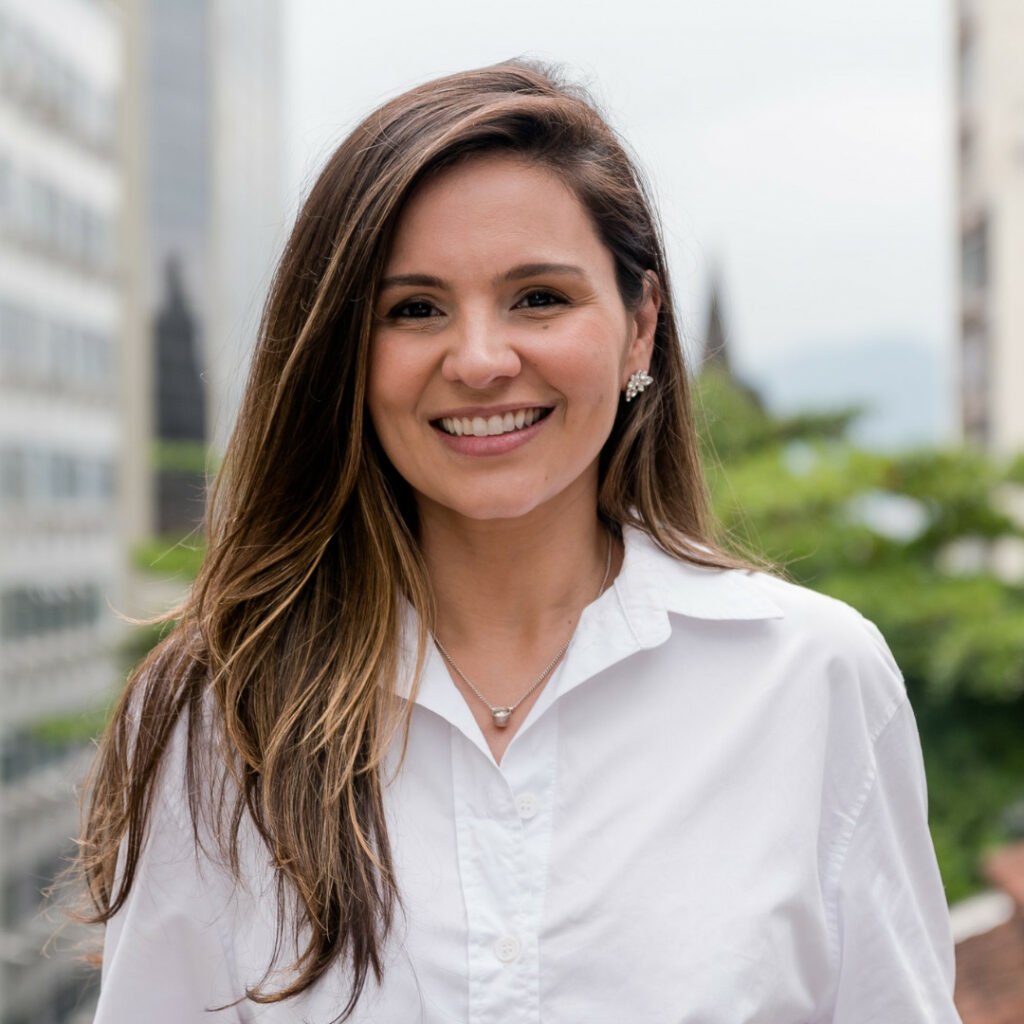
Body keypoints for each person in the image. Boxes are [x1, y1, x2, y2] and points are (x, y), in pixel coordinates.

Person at [76, 61, 961, 1023]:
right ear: (345, 354)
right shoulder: (217, 717)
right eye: (414, 309)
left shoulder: (811, 681)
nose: (483, 360)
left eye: (539, 297)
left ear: (640, 329)